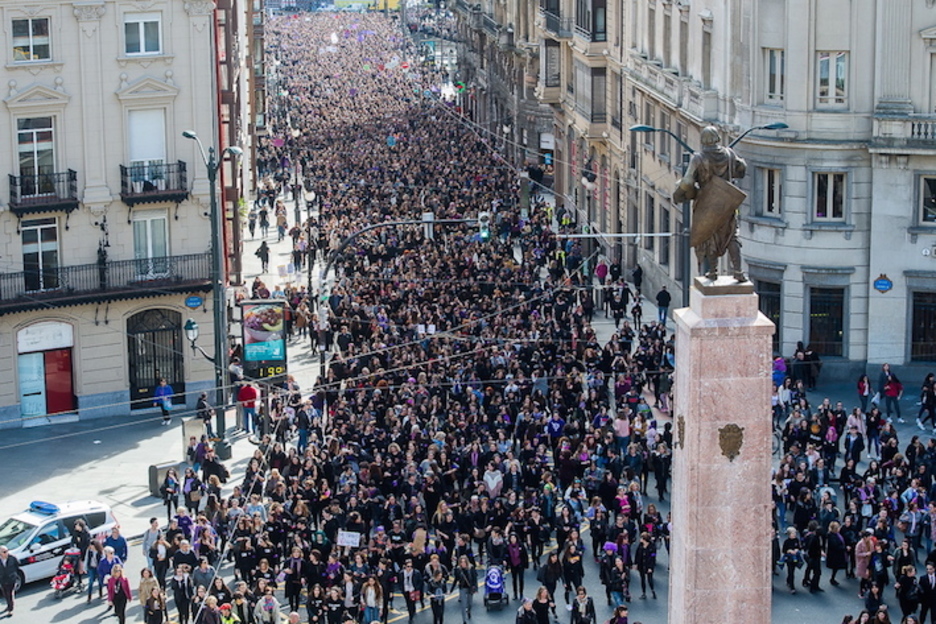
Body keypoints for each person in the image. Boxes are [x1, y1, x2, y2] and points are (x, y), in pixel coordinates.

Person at [672, 126, 747, 281]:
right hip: (726, 202)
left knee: (708, 236)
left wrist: (678, 194)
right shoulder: (729, 154)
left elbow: (687, 181)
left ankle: (713, 271)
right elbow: (742, 168)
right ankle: (738, 271)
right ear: (717, 138)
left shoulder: (698, 158)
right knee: (732, 235)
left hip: (706, 203)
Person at [454, 554, 478, 624]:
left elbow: (474, 578)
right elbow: (456, 579)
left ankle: (469, 611)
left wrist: (476, 588)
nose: (463, 564)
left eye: (464, 562)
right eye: (461, 562)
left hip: (470, 588)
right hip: (462, 588)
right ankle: (464, 620)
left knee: (470, 603)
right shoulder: (458, 569)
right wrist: (451, 590)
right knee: (463, 604)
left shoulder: (471, 568)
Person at [0, 546, 20, 616]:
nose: (6, 553)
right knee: (5, 594)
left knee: (10, 594)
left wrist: (14, 574)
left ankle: (10, 609)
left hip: (11, 579)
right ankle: (9, 605)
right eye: (4, 552)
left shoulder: (12, 558)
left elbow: (17, 566)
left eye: (7, 551)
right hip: (2, 579)